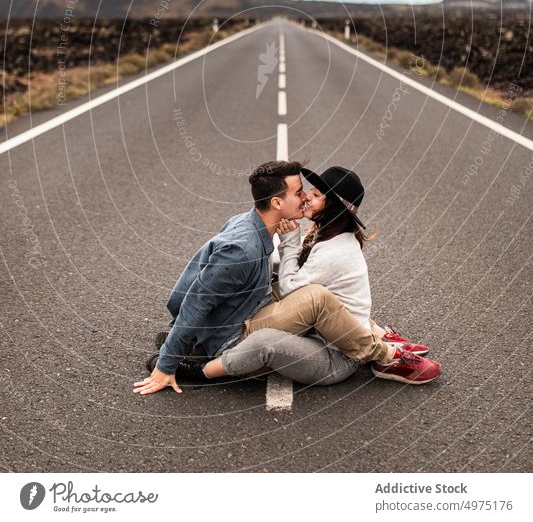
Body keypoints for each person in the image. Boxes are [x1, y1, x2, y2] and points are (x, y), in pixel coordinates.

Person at [133, 160, 397, 397]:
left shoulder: (245, 223)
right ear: (277, 203)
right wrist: (167, 363)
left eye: (312, 193)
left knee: (291, 285)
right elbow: (197, 301)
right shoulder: (243, 250)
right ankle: (191, 348)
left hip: (245, 315)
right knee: (314, 297)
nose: (305, 197)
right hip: (233, 334)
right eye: (299, 192)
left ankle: (190, 341)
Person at [201, 166, 441, 386]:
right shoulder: (328, 235)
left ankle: (388, 357)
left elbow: (288, 288)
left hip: (336, 355)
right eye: (310, 192)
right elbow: (284, 274)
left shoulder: (336, 250)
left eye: (316, 196)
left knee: (268, 338)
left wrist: (290, 243)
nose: (306, 197)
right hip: (327, 330)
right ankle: (377, 334)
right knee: (267, 283)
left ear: (333, 207)